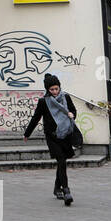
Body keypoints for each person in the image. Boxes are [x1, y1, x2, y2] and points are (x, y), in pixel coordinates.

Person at [23, 73, 81, 205]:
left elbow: (73, 111)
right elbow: (35, 118)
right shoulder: (44, 102)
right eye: (52, 90)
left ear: (59, 87)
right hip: (52, 136)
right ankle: (66, 191)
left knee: (62, 162)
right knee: (61, 160)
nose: (55, 92)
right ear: (47, 90)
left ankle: (56, 188)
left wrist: (73, 114)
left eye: (56, 89)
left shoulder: (65, 97)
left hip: (65, 134)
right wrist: (27, 134)